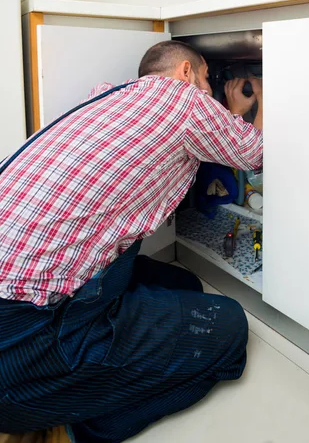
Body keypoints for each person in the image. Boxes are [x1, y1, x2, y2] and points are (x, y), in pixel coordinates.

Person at [0, 40, 263, 443]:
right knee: (228, 329)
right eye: (209, 79)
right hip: (23, 332)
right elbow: (256, 153)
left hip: (27, 284)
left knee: (186, 284)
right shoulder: (185, 99)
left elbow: (199, 138)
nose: (212, 90)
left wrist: (230, 115)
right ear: (187, 73)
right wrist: (259, 98)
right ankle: (78, 425)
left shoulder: (106, 95)